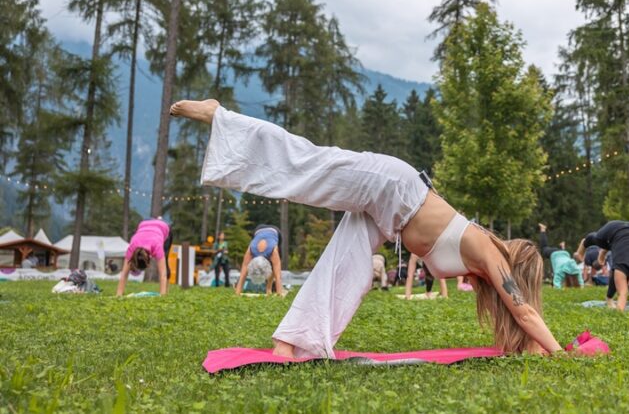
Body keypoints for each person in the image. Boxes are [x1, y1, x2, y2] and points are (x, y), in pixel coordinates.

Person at [171, 99, 562, 358]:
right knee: (310, 164)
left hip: (390, 216)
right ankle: (220, 115)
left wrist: (535, 346)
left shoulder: (483, 269)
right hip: (394, 188)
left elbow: (520, 319)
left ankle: (289, 342)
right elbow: (525, 313)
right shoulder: (491, 254)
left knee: (347, 269)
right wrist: (563, 353)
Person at [116, 218, 172, 296]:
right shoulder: (132, 247)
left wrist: (162, 296)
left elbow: (163, 274)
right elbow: (124, 274)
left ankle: (166, 291)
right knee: (163, 264)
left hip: (163, 227)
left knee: (165, 263)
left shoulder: (157, 246)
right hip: (144, 223)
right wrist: (119, 295)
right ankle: (158, 218)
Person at [235, 225, 284, 296]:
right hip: (258, 230)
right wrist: (237, 293)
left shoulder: (273, 252)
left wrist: (279, 294)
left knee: (275, 266)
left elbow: (278, 275)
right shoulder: (251, 251)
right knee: (275, 266)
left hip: (275, 231)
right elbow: (243, 273)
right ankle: (268, 289)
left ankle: (268, 288)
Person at [537, 224, 583, 289]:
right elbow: (557, 284)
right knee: (544, 248)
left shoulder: (576, 268)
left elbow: (581, 282)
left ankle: (562, 246)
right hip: (554, 253)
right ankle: (543, 230)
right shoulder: (572, 270)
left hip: (565, 254)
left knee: (562, 259)